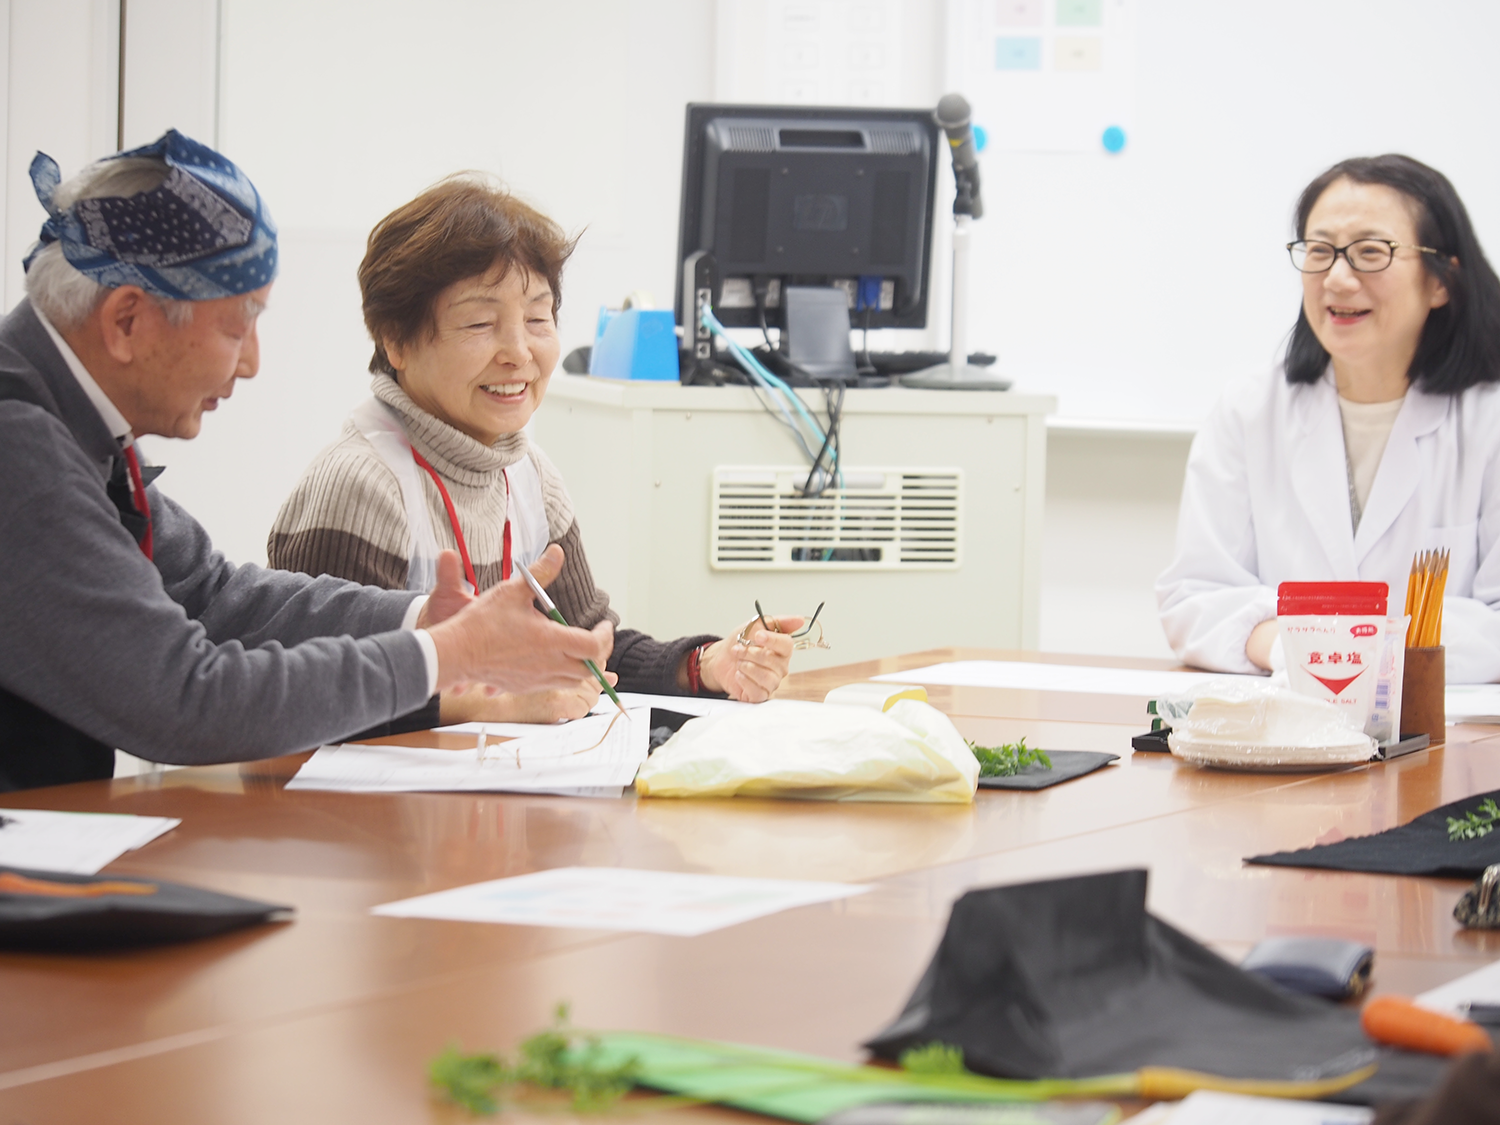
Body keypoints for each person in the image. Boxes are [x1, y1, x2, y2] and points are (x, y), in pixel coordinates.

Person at [0, 131, 613, 793]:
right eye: (237, 326)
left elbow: (211, 594)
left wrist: (420, 620)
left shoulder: (72, 429)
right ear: (126, 321)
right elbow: (186, 698)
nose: (252, 362)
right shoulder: (19, 451)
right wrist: (445, 656)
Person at [268, 177, 802, 723]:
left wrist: (706, 664)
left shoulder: (528, 474)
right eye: (480, 323)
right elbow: (316, 693)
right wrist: (495, 702)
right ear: (396, 341)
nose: (519, 352)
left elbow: (586, 647)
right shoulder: (362, 485)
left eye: (537, 319)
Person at [1156, 154, 1500, 682]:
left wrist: (1345, 646)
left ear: (1441, 282)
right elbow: (1195, 599)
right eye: (1319, 251)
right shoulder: (1250, 410)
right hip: (1287, 716)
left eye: (1370, 252)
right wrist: (1295, 651)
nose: (1337, 278)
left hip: (1443, 724)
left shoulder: (1488, 419)